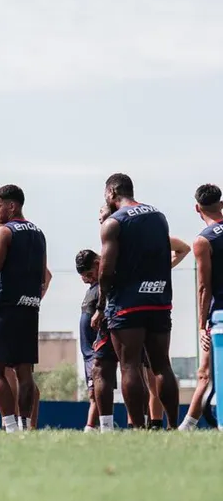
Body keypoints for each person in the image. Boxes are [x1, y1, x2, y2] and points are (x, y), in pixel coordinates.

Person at [95, 173, 178, 430]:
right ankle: (173, 426)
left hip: (128, 303)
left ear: (111, 193)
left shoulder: (114, 222)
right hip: (159, 298)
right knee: (162, 364)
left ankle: (139, 427)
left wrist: (101, 306)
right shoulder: (158, 215)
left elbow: (105, 271)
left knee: (129, 365)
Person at [0, 185, 47, 432]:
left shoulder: (4, 232)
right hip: (29, 308)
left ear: (12, 206)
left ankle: (10, 425)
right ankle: (25, 423)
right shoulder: (38, 233)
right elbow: (43, 276)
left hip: (4, 307)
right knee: (24, 371)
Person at [180, 184, 223, 430]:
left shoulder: (203, 240)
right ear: (222, 204)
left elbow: (204, 287)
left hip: (219, 316)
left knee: (205, 373)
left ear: (197, 208)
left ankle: (187, 427)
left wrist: (201, 326)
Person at [76, 250, 104, 431]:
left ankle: (91, 428)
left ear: (98, 263)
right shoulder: (92, 288)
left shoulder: (103, 287)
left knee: (96, 392)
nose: (87, 279)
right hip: (88, 353)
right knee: (93, 392)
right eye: (84, 276)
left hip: (96, 350)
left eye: (89, 274)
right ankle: (97, 427)